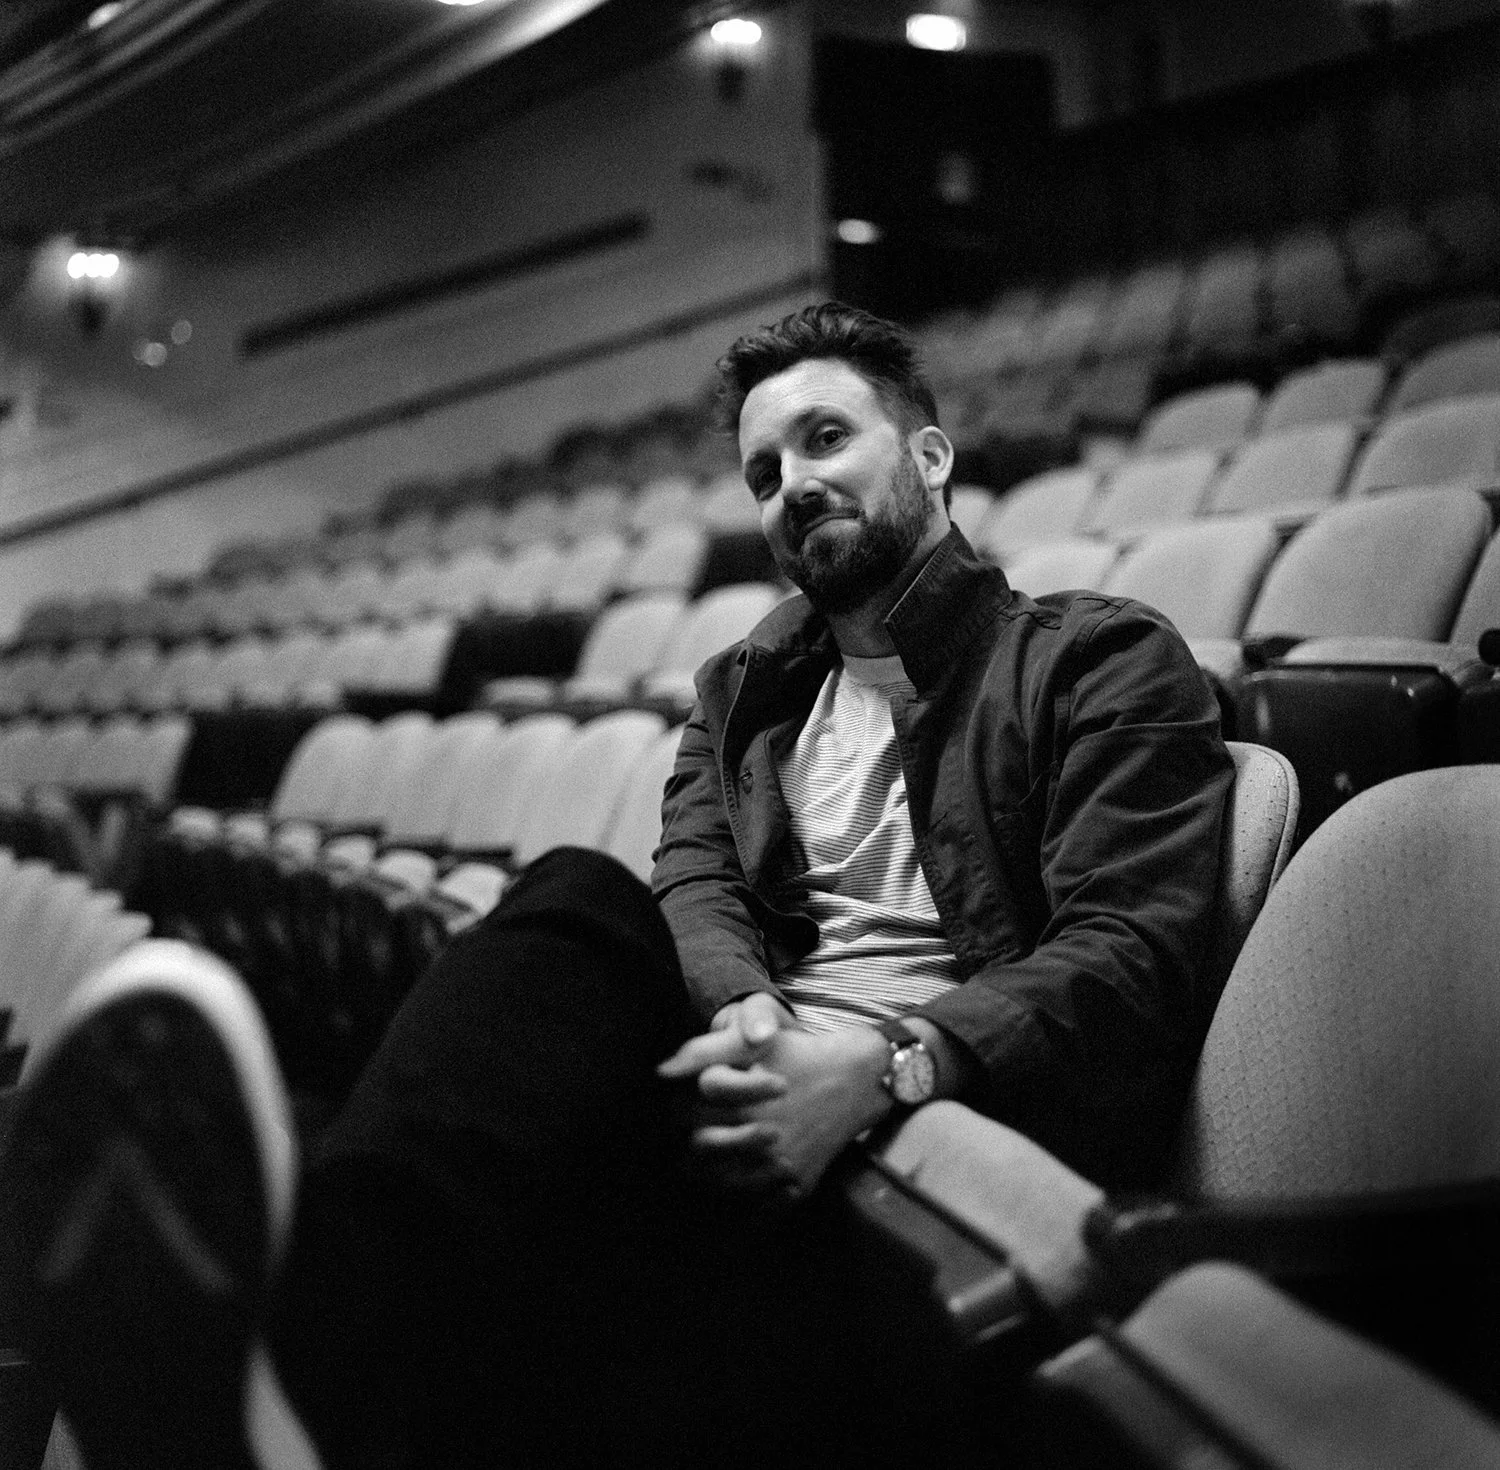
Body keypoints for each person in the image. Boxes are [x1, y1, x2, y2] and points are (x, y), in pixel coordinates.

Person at [0, 303, 1232, 1470]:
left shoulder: (1098, 656)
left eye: (826, 439)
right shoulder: (744, 689)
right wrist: (753, 1015)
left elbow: (1129, 949)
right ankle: (303, 1338)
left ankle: (293, 1362)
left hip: (932, 1126)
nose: (794, 485)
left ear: (930, 455)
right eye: (764, 473)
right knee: (578, 896)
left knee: (521, 1297)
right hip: (745, 1082)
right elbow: (693, 878)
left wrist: (879, 1065)